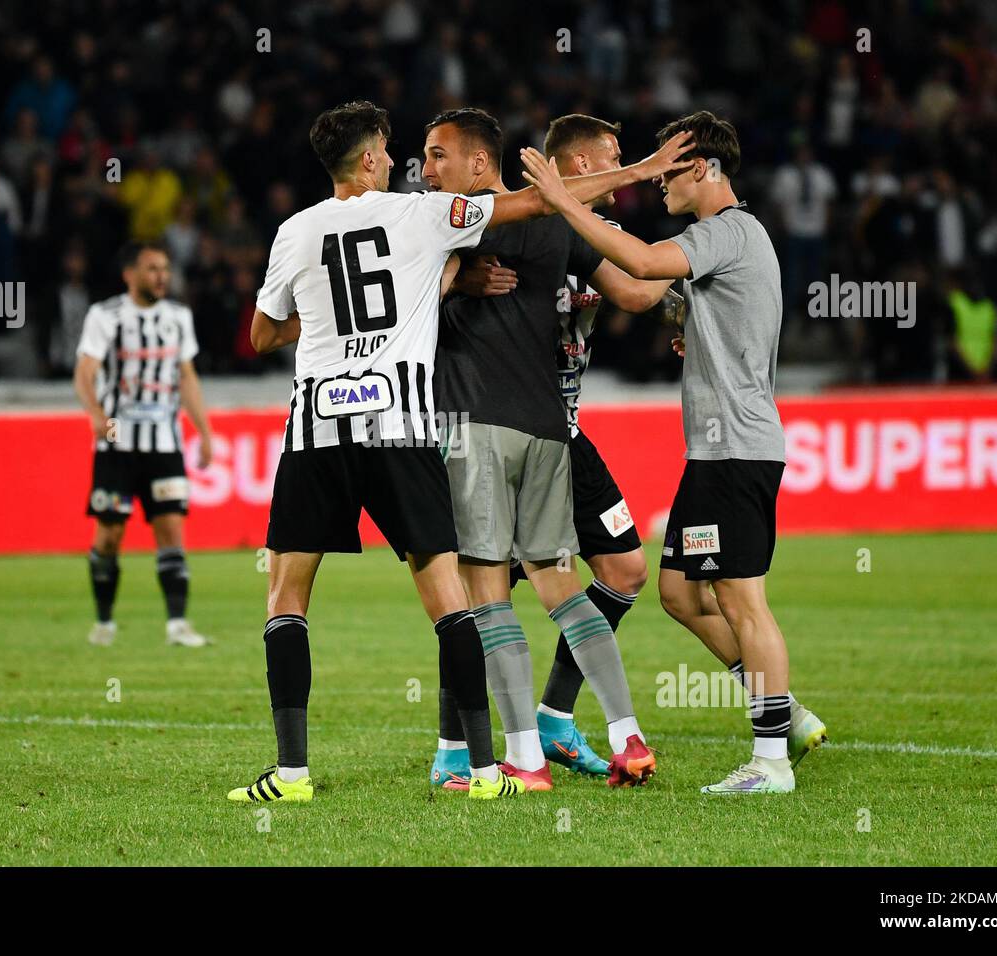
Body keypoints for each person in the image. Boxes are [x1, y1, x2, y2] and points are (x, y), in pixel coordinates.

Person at [230, 100, 674, 803]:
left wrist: (351, 314)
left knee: (289, 597)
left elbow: (260, 336)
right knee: (455, 603)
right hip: (408, 427)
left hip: (319, 429)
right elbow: (532, 205)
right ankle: (494, 764)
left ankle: (293, 774)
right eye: (401, 151)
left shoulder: (295, 230)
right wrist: (645, 172)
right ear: (373, 158)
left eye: (436, 154)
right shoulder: (420, 217)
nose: (418, 165)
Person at [520, 110, 828, 794]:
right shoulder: (723, 241)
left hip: (735, 448)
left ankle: (773, 758)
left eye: (665, 170)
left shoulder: (726, 231)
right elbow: (661, 296)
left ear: (698, 168)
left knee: (744, 600)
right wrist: (696, 325)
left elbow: (643, 265)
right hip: (714, 452)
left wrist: (564, 199)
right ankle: (786, 714)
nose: (656, 183)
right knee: (679, 594)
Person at [424, 108, 690, 791]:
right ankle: (608, 733)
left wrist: (697, 256)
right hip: (546, 426)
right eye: (613, 155)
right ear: (571, 167)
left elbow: (637, 289)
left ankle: (526, 752)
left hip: (495, 425)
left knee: (483, 594)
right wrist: (459, 279)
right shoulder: (517, 219)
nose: (426, 171)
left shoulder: (555, 228)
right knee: (552, 586)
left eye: (435, 156)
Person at [72, 242, 215, 649]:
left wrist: (203, 431)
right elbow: (85, 371)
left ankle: (177, 625)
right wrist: (96, 414)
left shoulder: (178, 317)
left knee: (171, 529)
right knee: (109, 535)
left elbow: (186, 376)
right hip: (117, 443)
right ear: (129, 274)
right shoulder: (106, 315)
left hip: (165, 443)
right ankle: (104, 623)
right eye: (152, 268)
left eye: (165, 268)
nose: (161, 276)